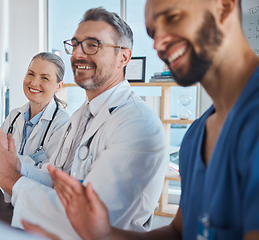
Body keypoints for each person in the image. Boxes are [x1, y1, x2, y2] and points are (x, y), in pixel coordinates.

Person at [23, 0, 259, 239]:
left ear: (224, 6)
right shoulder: (196, 135)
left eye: (172, 18)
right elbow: (178, 232)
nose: (158, 44)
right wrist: (103, 234)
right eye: (153, 33)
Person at [0, 7, 168, 239]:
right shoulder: (81, 116)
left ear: (124, 57)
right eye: (75, 44)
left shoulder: (135, 124)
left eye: (93, 44)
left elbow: (88, 220)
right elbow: (55, 180)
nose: (78, 54)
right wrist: (12, 164)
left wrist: (9, 177)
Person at [0, 52, 69, 202]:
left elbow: (51, 178)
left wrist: (12, 161)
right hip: (8, 198)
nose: (34, 82)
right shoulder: (14, 116)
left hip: (38, 205)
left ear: (59, 86)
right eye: (31, 74)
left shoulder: (63, 123)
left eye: (44, 78)